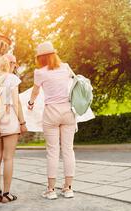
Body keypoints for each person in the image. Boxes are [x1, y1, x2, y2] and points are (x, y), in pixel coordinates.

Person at [28, 42, 77, 200]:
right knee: (68, 150)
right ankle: (68, 189)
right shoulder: (66, 67)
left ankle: (51, 190)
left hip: (51, 113)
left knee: (52, 151)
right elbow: (75, 83)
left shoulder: (40, 72)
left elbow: (35, 92)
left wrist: (30, 103)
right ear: (54, 54)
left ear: (40, 58)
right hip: (68, 111)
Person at [0, 54, 27, 203]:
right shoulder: (12, 78)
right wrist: (22, 122)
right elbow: (16, 103)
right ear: (12, 64)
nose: (15, 67)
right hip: (8, 118)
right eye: (15, 64)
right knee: (8, 158)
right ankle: (7, 194)